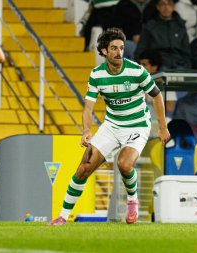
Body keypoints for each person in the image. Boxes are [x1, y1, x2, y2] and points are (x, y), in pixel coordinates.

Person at [49, 28, 170, 225]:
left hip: (137, 126)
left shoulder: (137, 71)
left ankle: (132, 200)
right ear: (104, 51)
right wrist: (87, 130)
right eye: (113, 48)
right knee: (83, 168)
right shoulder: (96, 75)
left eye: (121, 48)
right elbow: (88, 108)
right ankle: (62, 216)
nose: (118, 52)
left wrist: (163, 127)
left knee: (124, 164)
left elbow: (156, 95)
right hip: (112, 126)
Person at [134, 0, 191, 70]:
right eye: (162, 4)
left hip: (180, 64)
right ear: (158, 7)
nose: (166, 7)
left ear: (173, 7)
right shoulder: (150, 26)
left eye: (169, 4)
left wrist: (187, 67)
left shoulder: (180, 26)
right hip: (158, 65)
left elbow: (187, 52)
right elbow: (140, 50)